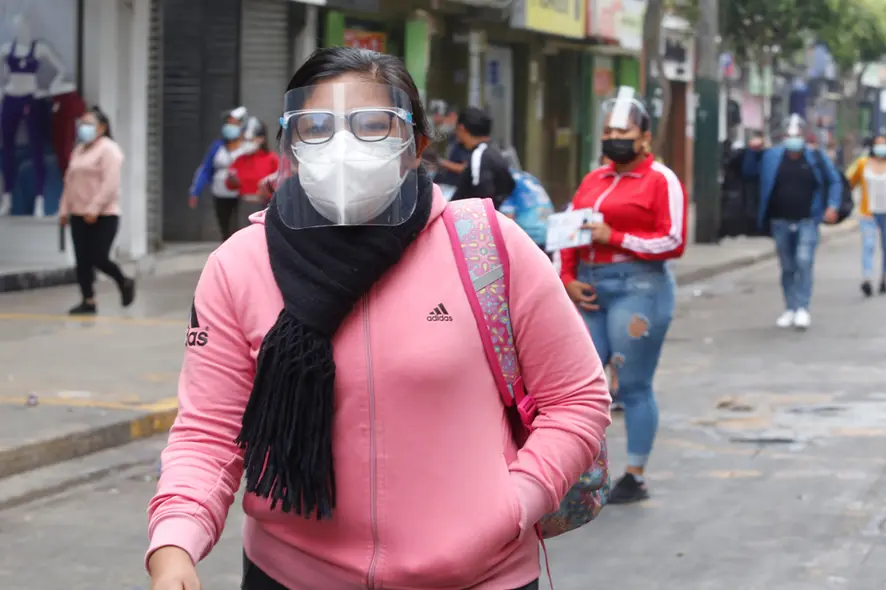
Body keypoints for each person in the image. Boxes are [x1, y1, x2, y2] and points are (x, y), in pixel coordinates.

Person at [146, 47, 611, 590]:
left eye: (371, 126)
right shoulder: (239, 266)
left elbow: (577, 399)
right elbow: (209, 434)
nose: (342, 147)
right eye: (316, 127)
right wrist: (175, 545)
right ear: (292, 146)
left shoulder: (488, 247)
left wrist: (513, 502)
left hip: (478, 576)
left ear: (414, 147)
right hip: (289, 576)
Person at [559, 88, 687, 504]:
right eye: (609, 130)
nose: (614, 137)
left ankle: (634, 474)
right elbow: (571, 230)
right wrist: (566, 276)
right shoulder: (594, 178)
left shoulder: (660, 180)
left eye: (623, 130)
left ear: (645, 137)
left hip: (639, 287)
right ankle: (580, 470)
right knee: (581, 381)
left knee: (631, 383)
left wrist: (615, 237)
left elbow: (673, 239)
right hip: (590, 286)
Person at [742, 118, 841, 330]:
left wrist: (832, 205)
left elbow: (834, 181)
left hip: (808, 219)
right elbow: (749, 173)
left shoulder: (815, 157)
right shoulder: (771, 157)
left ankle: (803, 307)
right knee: (787, 265)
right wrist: (753, 151)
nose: (793, 141)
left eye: (797, 136)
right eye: (789, 136)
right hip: (780, 220)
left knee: (804, 261)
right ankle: (790, 307)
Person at [56, 106, 135, 315]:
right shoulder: (78, 150)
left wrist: (94, 207)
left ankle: (123, 281)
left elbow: (110, 184)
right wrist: (64, 209)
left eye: (89, 125)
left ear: (102, 127)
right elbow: (69, 182)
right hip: (78, 213)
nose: (84, 129)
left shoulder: (109, 150)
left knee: (99, 257)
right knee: (82, 260)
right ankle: (88, 301)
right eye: (82, 125)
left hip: (104, 214)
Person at [848, 135, 886, 297]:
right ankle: (867, 278)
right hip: (867, 213)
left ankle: (884, 277)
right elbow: (849, 180)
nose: (881, 147)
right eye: (877, 144)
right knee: (868, 245)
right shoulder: (862, 164)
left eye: (884, 144)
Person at [188, 106, 250, 241]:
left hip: (241, 195)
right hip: (220, 194)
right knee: (225, 227)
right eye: (228, 123)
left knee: (238, 227)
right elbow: (205, 169)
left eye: (234, 123)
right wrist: (195, 191)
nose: (230, 126)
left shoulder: (247, 147)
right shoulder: (217, 146)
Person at [450, 106, 516, 207]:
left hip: (475, 219)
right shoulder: (494, 152)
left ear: (461, 128)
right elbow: (509, 185)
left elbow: (481, 196)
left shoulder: (479, 156)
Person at [226, 116, 280, 215]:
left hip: (266, 206)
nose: (246, 143)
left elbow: (281, 183)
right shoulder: (239, 160)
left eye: (250, 139)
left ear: (261, 139)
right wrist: (232, 180)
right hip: (244, 205)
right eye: (244, 140)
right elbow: (230, 185)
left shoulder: (272, 159)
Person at [429, 106, 470, 200]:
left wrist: (442, 162)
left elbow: (464, 168)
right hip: (443, 183)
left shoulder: (464, 142)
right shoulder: (451, 138)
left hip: (454, 187)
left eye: (452, 117)